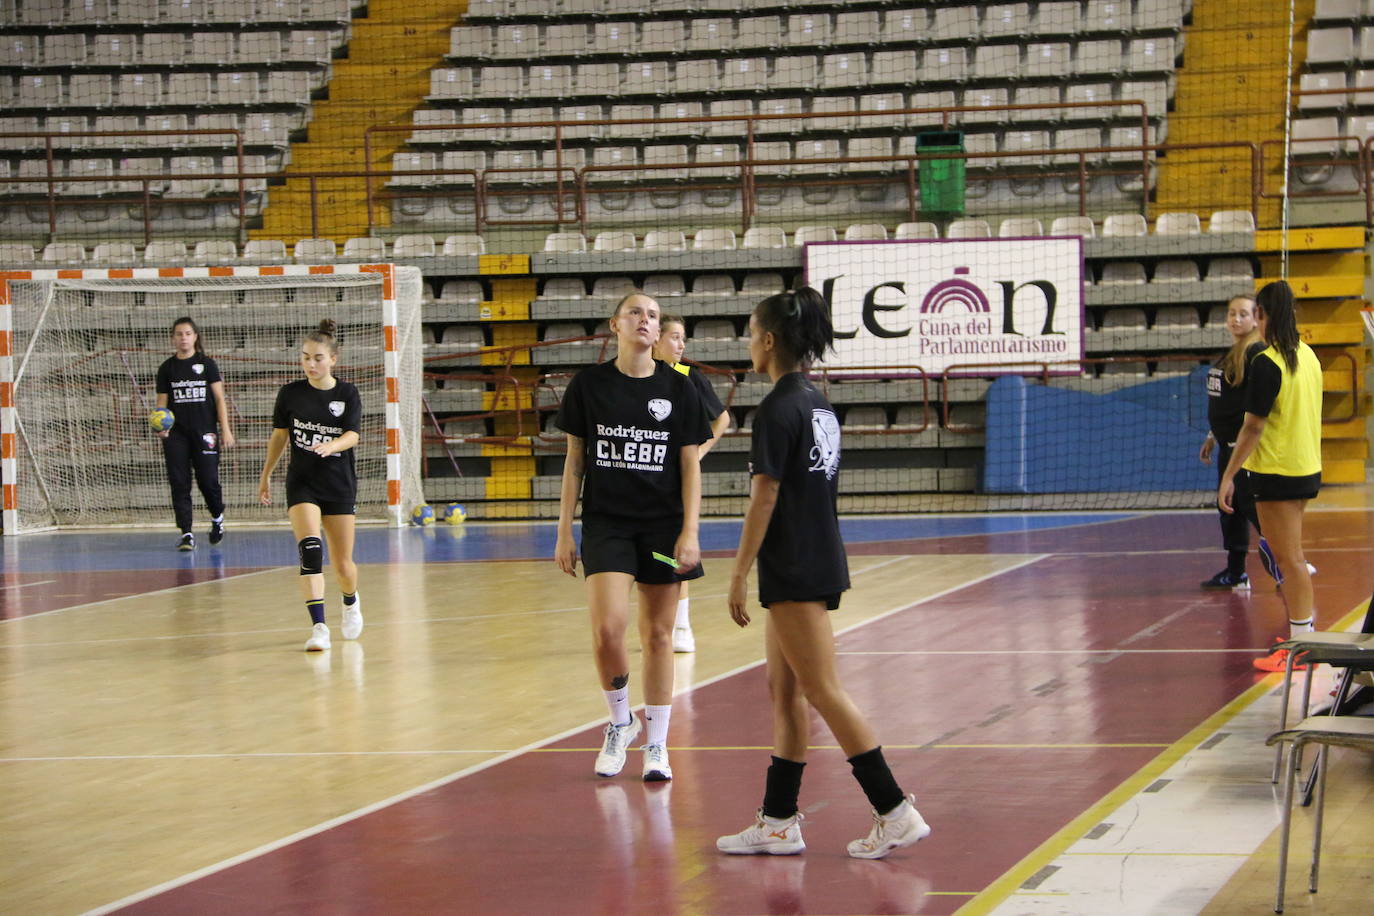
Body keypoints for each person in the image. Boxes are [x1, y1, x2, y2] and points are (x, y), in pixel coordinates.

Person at [717, 287, 930, 860]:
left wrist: (737, 574)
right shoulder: (816, 402)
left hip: (793, 565)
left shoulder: (778, 408)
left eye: (749, 331)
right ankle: (779, 821)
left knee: (823, 691)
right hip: (814, 557)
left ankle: (894, 810)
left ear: (767, 340)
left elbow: (765, 497)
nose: (747, 342)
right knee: (784, 692)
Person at [554, 292, 711, 782]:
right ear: (615, 325)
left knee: (660, 635)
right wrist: (563, 530)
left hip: (662, 523)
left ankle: (658, 745)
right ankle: (620, 722)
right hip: (608, 523)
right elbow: (574, 460)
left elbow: (690, 463)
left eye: (653, 315)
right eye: (636, 313)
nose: (646, 320)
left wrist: (690, 530)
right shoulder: (589, 385)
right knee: (607, 630)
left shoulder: (680, 387)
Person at [1218, 281, 1323, 672]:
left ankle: (1302, 646)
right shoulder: (1309, 356)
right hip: (1305, 468)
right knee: (1292, 559)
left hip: (1276, 472)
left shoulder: (1267, 362)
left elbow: (1253, 428)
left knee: (1290, 561)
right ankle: (1302, 637)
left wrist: (1229, 475)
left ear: (1263, 316)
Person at [258, 319, 364, 653]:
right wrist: (266, 475)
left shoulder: (347, 394)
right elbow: (279, 436)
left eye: (317, 358)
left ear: (333, 359)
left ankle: (350, 601)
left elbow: (353, 434)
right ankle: (319, 627)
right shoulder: (290, 394)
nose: (310, 364)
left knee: (344, 565)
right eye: (305, 357)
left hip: (338, 482)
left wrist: (331, 446)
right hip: (302, 482)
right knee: (310, 551)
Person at [653, 312, 732, 653]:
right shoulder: (636, 375)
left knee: (675, 551)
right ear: (655, 338)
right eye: (674, 337)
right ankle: (658, 625)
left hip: (676, 479)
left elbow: (722, 418)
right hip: (641, 476)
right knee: (651, 555)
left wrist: (698, 453)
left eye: (683, 338)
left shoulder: (690, 376)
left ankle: (682, 625)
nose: (681, 344)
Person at [1198, 295, 1265, 590]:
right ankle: (1236, 572)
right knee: (1231, 510)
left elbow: (1252, 408)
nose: (1235, 319)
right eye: (1231, 314)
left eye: (1243, 314)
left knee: (1255, 513)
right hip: (1226, 445)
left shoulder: (1255, 354)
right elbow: (1226, 402)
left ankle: (1290, 566)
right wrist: (1213, 435)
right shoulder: (1233, 353)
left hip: (1244, 450)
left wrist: (1238, 447)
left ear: (1255, 318)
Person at [155, 316, 234, 551]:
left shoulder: (207, 364)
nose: (183, 338)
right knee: (179, 482)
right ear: (173, 338)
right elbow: (162, 403)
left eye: (187, 333)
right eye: (179, 334)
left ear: (195, 336)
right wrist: (161, 425)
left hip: (205, 431)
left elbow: (219, 398)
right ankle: (187, 533)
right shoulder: (167, 368)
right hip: (177, 434)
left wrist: (225, 430)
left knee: (208, 480)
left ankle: (217, 517)